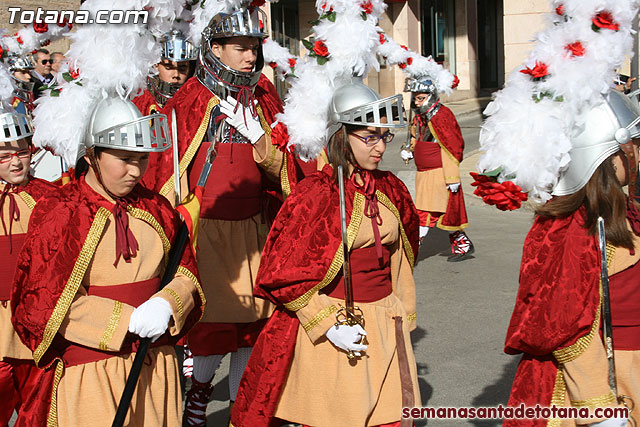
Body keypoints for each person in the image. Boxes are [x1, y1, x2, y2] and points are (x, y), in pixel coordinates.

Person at [231, 80, 421, 427]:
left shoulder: (392, 187)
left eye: (383, 136)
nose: (379, 146)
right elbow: (282, 275)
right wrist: (328, 325)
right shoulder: (317, 194)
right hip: (338, 324)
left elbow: (400, 262)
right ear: (341, 137)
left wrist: (402, 313)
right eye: (368, 137)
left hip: (384, 322)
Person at [10, 94, 205, 426]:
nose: (135, 171)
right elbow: (40, 303)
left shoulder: (156, 208)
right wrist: (123, 320)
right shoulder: (61, 211)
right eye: (124, 159)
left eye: (141, 159)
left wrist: (168, 303)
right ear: (93, 156)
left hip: (156, 365)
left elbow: (186, 272)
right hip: (92, 370)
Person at [166, 4, 297, 424]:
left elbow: (288, 173)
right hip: (206, 234)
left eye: (254, 47)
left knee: (252, 331)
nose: (250, 56)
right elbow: (168, 174)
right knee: (211, 331)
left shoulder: (264, 96)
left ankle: (245, 409)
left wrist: (261, 139)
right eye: (240, 47)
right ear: (216, 48)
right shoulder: (189, 98)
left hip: (255, 231)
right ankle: (200, 394)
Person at [504, 90, 640, 427]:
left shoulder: (627, 212)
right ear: (607, 155)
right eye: (632, 144)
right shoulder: (569, 230)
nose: (637, 152)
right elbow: (565, 326)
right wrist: (599, 410)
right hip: (600, 380)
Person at [0, 100, 56, 426]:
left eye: (21, 152)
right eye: (5, 155)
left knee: (38, 413)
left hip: (36, 323)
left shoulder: (48, 197)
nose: (16, 162)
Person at [401, 76, 474, 261]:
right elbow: (416, 137)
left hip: (438, 174)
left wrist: (452, 178)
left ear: (431, 96)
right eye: (415, 98)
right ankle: (462, 244)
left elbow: (452, 148)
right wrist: (410, 150)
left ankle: (412, 251)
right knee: (440, 212)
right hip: (423, 174)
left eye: (420, 98)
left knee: (426, 213)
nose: (417, 102)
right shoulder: (420, 117)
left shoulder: (443, 115)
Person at [132, 29, 197, 202]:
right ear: (156, 65)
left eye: (182, 68)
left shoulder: (196, 102)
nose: (176, 75)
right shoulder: (141, 100)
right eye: (168, 67)